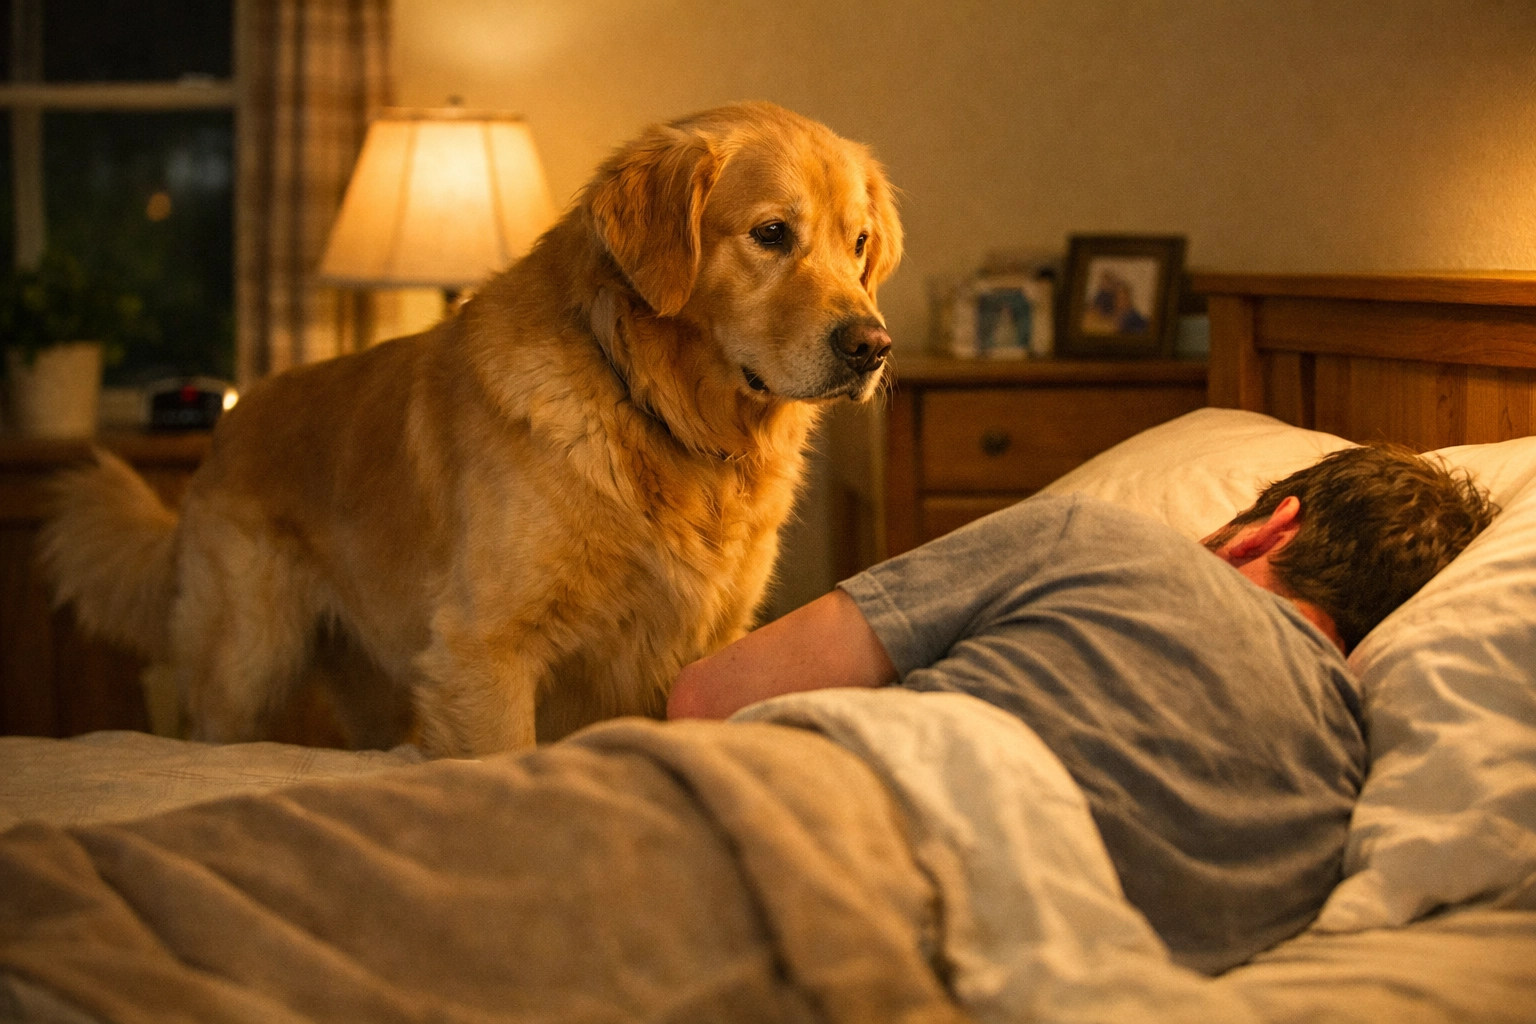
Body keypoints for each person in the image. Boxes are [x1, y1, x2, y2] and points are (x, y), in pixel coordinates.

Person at [668, 443, 1497, 974]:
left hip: (770, 892)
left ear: (1269, 530)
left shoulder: (1098, 538)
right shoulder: (1343, 796)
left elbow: (707, 702)